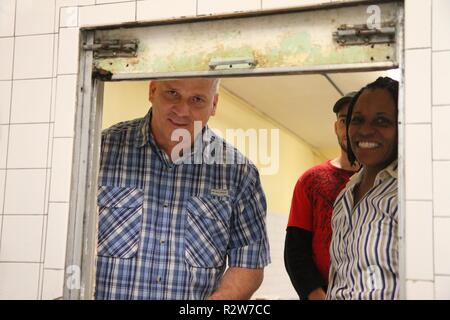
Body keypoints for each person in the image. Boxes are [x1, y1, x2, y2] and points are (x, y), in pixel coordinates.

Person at [95, 78, 270, 300]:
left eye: (197, 99)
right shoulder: (99, 150)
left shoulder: (238, 172)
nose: (182, 110)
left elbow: (249, 261)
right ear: (152, 91)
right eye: (172, 93)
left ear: (214, 104)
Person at [326, 77, 399, 300]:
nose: (365, 130)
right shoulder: (344, 196)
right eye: (357, 120)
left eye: (382, 121)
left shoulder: (409, 195)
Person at [284, 92, 360, 300]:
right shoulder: (310, 181)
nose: (350, 128)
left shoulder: (389, 182)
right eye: (344, 120)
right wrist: (316, 295)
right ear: (336, 127)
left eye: (358, 120)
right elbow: (295, 250)